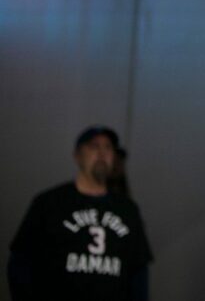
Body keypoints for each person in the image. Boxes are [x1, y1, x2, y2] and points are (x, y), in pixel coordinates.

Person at [8, 126, 153, 301]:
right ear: (77, 155)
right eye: (94, 146)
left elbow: (138, 271)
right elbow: (20, 262)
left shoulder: (127, 209)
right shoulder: (50, 203)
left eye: (108, 147)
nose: (102, 153)